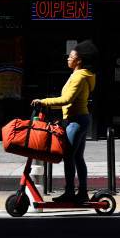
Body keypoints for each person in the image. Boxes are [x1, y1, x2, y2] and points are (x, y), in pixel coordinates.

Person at [31, 40, 98, 203]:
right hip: (80, 118)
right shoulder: (81, 75)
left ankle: (70, 192)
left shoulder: (79, 77)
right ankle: (82, 192)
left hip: (75, 120)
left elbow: (67, 99)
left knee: (69, 155)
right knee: (77, 157)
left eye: (72, 56)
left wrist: (43, 102)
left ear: (79, 60)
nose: (68, 58)